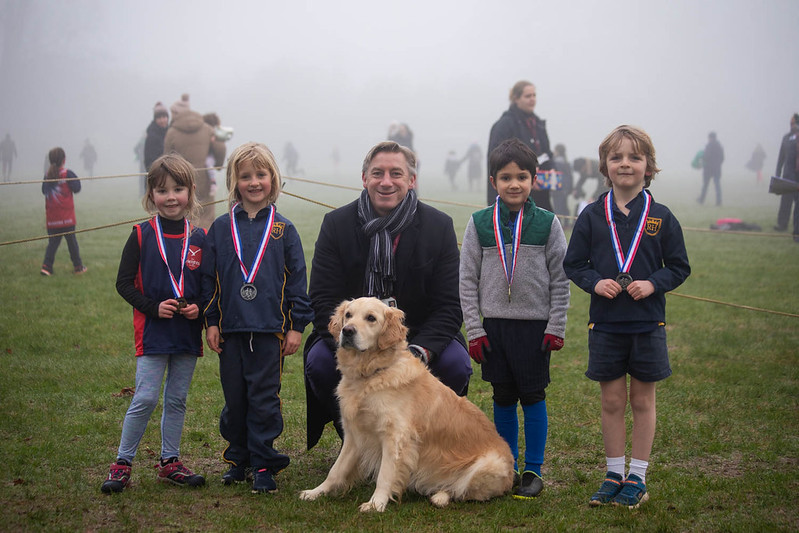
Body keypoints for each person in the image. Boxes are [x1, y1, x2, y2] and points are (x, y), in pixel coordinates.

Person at [303, 140, 472, 450]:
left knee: (457, 364)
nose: (386, 182)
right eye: (377, 173)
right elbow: (322, 300)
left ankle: (426, 442)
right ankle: (357, 444)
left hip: (417, 337)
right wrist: (350, 343)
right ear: (364, 178)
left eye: (396, 173)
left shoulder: (439, 226)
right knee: (318, 363)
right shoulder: (336, 224)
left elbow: (449, 305)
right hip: (352, 334)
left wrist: (419, 351)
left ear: (412, 180)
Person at [563, 125, 690, 509]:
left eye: (635, 157)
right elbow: (574, 263)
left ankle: (638, 476)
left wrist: (653, 284)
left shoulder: (661, 217)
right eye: (616, 157)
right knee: (612, 401)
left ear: (649, 167)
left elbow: (679, 266)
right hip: (605, 325)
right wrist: (594, 282)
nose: (625, 164)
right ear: (605, 165)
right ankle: (613, 473)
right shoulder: (590, 215)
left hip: (648, 324)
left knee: (642, 401)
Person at [460, 138, 569, 499]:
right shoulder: (479, 224)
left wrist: (556, 326)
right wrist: (474, 331)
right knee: (503, 396)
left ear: (534, 180)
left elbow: (561, 278)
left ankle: (533, 471)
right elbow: (466, 280)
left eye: (522, 176)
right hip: (493, 329)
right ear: (493, 181)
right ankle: (507, 465)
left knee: (533, 396)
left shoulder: (548, 224)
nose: (514, 184)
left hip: (535, 328)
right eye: (505, 177)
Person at [201, 142, 313, 494]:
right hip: (231, 330)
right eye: (245, 176)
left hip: (270, 332)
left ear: (273, 179)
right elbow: (208, 280)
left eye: (261, 175)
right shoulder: (220, 228)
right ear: (234, 181)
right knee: (235, 399)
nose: (254, 182)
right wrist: (212, 321)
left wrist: (296, 326)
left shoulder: (284, 229)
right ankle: (238, 459)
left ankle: (264, 462)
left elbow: (297, 281)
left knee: (264, 399)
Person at [101, 153, 207, 494]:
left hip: (186, 334)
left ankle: (169, 462)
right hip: (153, 333)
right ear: (151, 194)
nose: (171, 197)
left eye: (178, 189)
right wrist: (150, 307)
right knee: (145, 398)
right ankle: (122, 463)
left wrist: (200, 309)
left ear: (191, 191)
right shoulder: (141, 234)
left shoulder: (200, 238)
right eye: (162, 191)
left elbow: (208, 287)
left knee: (176, 400)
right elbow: (123, 283)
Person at [488, 80, 554, 211]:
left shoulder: (538, 124)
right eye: (528, 96)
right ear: (516, 99)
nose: (532, 99)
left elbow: (547, 153)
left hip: (541, 195)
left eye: (534, 95)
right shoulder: (504, 125)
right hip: (514, 196)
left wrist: (551, 170)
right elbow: (497, 160)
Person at [164, 93, 226, 230]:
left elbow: (167, 158)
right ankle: (204, 242)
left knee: (184, 210)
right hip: (205, 176)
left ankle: (186, 243)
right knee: (206, 212)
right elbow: (220, 146)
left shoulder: (172, 132)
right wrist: (218, 165)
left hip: (179, 177)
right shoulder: (207, 128)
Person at [40, 147, 87, 276]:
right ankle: (78, 267)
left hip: (53, 219)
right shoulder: (67, 174)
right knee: (72, 243)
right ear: (64, 160)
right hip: (67, 219)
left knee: (53, 244)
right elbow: (77, 188)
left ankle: (46, 267)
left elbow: (44, 191)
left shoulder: (47, 175)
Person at [774, 113, 799, 237]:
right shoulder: (786, 138)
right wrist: (778, 173)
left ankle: (797, 230)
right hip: (787, 175)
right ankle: (782, 224)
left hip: (797, 176)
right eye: (791, 123)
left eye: (794, 123)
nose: (792, 125)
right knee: (785, 202)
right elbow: (781, 157)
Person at [143, 102, 170, 195]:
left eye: (164, 117)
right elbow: (149, 160)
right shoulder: (152, 135)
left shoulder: (170, 132)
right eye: (159, 118)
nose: (162, 120)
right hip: (156, 177)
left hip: (170, 177)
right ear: (155, 119)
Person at [697, 131, 724, 206]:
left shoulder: (709, 146)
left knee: (705, 186)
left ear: (711, 138)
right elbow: (722, 158)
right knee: (717, 186)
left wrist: (703, 158)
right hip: (717, 169)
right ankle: (719, 201)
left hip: (708, 169)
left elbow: (706, 157)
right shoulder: (719, 146)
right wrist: (717, 164)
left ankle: (701, 200)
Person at [551, 143, 574, 227]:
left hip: (558, 188)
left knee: (558, 207)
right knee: (564, 206)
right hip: (565, 189)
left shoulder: (555, 162)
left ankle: (559, 225)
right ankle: (567, 224)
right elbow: (570, 177)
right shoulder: (566, 162)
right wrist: (569, 188)